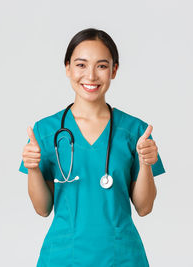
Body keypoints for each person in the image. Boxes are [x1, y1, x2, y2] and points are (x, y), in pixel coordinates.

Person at [19, 28, 166, 267]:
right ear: (67, 68)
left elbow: (144, 207)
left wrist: (145, 164)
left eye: (101, 66)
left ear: (114, 70)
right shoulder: (46, 132)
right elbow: (42, 209)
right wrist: (33, 169)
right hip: (64, 257)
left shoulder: (135, 132)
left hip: (121, 258)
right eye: (81, 65)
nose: (91, 76)